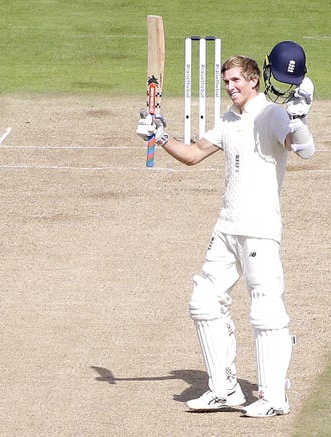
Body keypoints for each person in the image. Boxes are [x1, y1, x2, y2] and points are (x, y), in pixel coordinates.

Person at [135, 41, 315, 418]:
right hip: (227, 226)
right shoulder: (229, 119)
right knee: (203, 301)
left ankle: (273, 397)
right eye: (226, 81)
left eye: (236, 80)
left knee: (266, 310)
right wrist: (160, 135)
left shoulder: (272, 115)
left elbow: (303, 150)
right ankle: (223, 389)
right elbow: (193, 155)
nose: (230, 86)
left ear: (254, 80)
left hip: (259, 228)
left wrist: (298, 120)